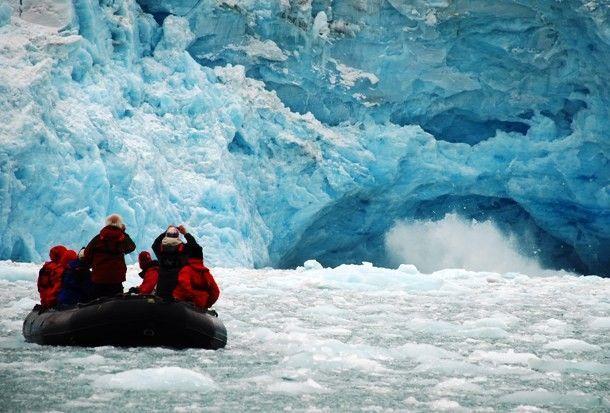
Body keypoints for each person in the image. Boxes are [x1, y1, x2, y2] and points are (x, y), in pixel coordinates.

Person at [83, 214, 136, 299]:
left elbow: (87, 254)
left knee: (97, 303)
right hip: (116, 279)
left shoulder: (97, 238)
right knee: (116, 303)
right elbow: (131, 247)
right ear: (120, 224)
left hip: (99, 278)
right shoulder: (123, 238)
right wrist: (123, 232)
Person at [152, 225, 199, 300]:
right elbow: (194, 246)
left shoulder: (161, 251)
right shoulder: (183, 251)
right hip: (177, 293)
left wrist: (165, 232)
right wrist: (185, 233)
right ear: (177, 237)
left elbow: (155, 245)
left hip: (161, 291)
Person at [173, 244, 220, 309]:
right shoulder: (206, 273)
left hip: (180, 305)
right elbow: (215, 292)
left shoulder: (186, 270)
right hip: (199, 306)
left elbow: (184, 284)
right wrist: (206, 305)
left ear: (188, 256)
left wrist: (191, 298)